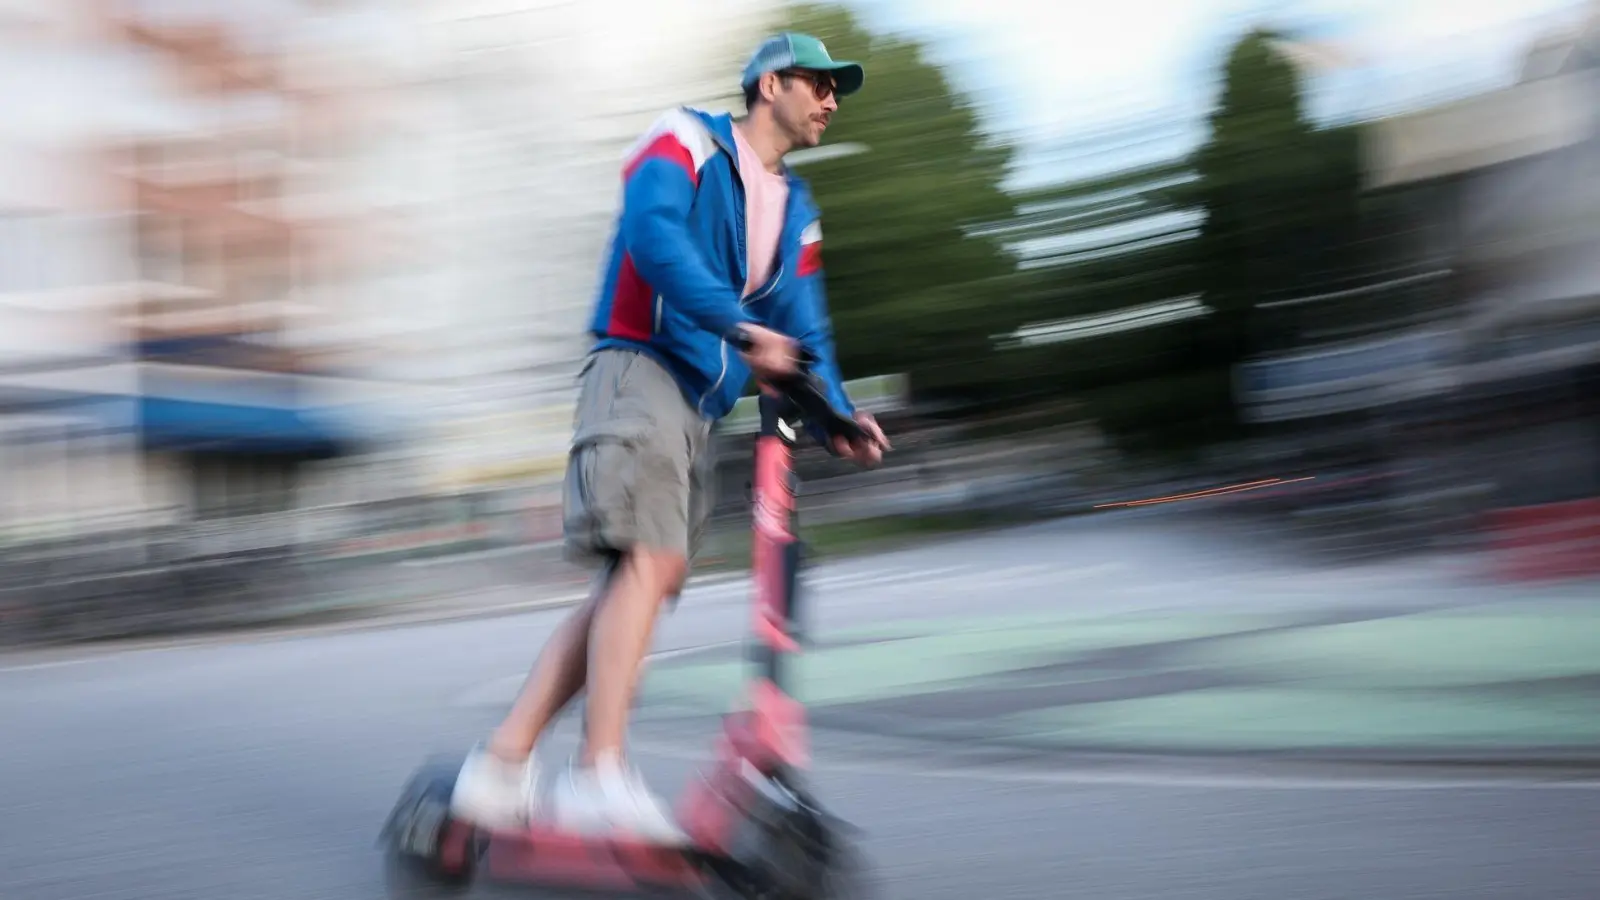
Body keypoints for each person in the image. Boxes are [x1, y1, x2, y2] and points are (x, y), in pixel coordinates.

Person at [449, 32, 890, 843]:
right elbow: (654, 240)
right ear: (769, 83)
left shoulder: (796, 210)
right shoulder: (683, 139)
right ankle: (598, 776)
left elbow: (806, 326)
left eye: (838, 91)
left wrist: (839, 413)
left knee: (641, 582)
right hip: (638, 368)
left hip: (697, 404)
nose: (832, 101)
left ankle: (501, 765)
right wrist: (738, 327)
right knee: (646, 568)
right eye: (821, 84)